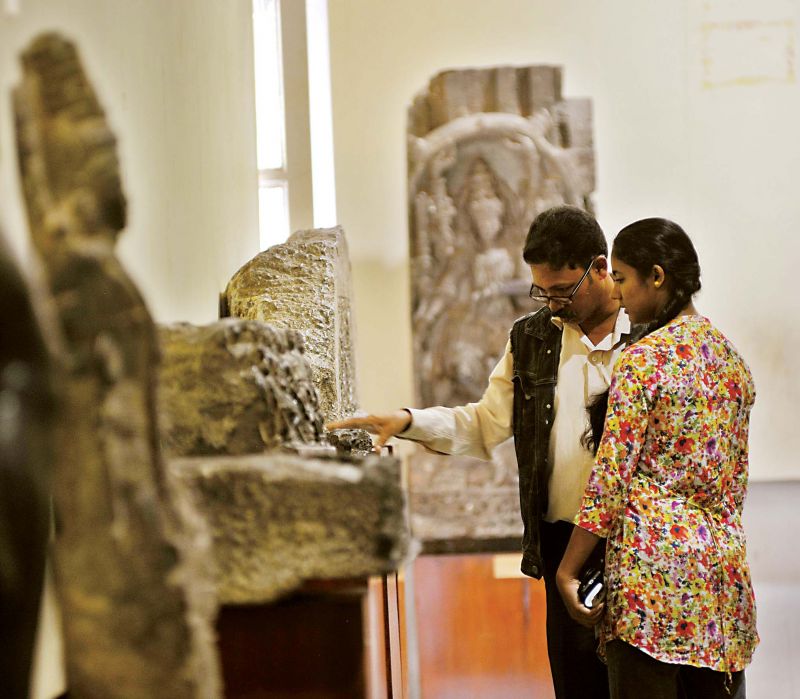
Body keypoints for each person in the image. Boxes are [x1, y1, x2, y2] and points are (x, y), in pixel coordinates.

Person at [328, 205, 643, 699]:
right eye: (542, 290)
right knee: (579, 686)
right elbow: (484, 423)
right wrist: (408, 422)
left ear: (600, 268)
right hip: (565, 547)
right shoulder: (533, 338)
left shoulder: (651, 335)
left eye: (563, 290)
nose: (552, 303)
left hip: (640, 542)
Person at [556, 218, 758, 699]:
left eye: (623, 279)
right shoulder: (732, 364)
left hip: (651, 590)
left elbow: (610, 479)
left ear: (657, 276)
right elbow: (734, 486)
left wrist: (568, 570)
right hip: (719, 585)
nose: (619, 295)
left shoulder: (643, 360)